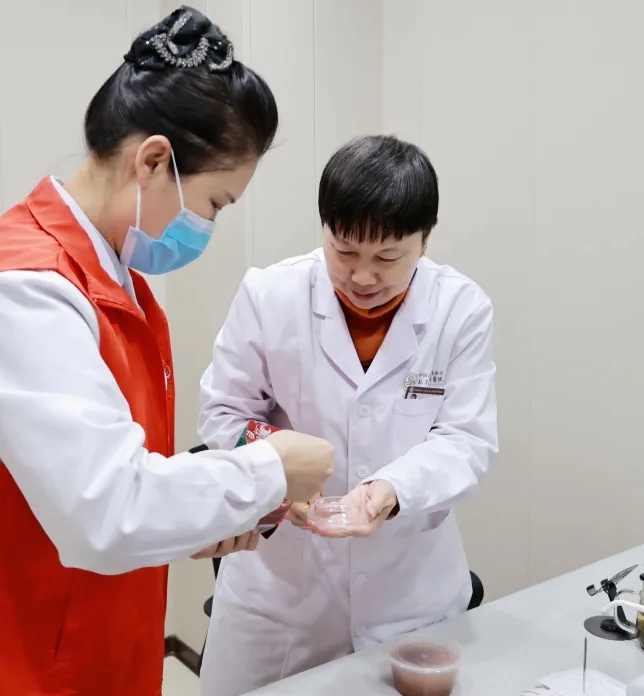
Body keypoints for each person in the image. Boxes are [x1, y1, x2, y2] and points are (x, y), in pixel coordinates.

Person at [0, 7, 335, 695]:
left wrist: (198, 518)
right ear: (154, 161)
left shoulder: (108, 279)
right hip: (3, 663)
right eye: (215, 204)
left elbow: (104, 479)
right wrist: (271, 468)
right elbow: (106, 512)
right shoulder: (28, 293)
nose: (207, 226)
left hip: (74, 642)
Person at [197, 134, 498, 695]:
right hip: (281, 597)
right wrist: (280, 480)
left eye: (387, 257)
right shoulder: (270, 295)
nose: (362, 277)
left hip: (408, 594)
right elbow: (224, 413)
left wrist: (391, 489)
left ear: (425, 240)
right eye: (344, 251)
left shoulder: (460, 309)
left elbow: (467, 441)